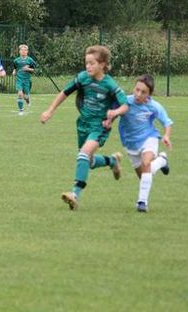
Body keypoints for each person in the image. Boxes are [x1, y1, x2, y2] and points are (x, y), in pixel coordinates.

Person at [40, 45, 128, 210]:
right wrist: (50, 110)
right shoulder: (82, 78)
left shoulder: (109, 84)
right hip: (83, 124)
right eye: (86, 63)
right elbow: (65, 92)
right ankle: (112, 161)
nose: (88, 66)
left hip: (100, 126)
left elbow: (125, 105)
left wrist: (114, 113)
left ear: (102, 64)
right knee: (89, 161)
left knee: (83, 154)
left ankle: (75, 194)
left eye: (91, 63)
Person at [117, 74, 172, 213]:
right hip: (130, 144)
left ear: (149, 94)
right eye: (137, 90)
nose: (138, 94)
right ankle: (162, 161)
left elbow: (167, 122)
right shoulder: (126, 102)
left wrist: (166, 135)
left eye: (143, 92)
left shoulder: (154, 106)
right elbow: (112, 111)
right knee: (144, 175)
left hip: (149, 138)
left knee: (146, 163)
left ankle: (142, 202)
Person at [12, 44, 38, 115]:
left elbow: (34, 70)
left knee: (26, 96)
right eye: (22, 50)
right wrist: (14, 71)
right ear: (19, 51)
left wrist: (28, 69)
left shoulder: (30, 60)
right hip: (19, 79)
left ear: (27, 51)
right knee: (20, 94)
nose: (23, 51)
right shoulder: (16, 60)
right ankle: (21, 110)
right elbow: (15, 68)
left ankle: (28, 100)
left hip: (27, 80)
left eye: (25, 50)